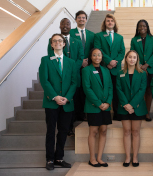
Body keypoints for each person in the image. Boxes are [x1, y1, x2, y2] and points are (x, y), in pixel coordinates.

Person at [40, 33, 77, 170]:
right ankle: (49, 159)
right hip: (51, 102)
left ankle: (59, 158)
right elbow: (45, 81)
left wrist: (67, 97)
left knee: (63, 131)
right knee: (50, 131)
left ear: (64, 43)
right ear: (51, 44)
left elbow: (74, 82)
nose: (57, 43)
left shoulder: (71, 62)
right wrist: (55, 96)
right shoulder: (45, 60)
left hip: (67, 103)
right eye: (54, 41)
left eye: (60, 41)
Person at [47, 18, 84, 136]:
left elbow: (80, 58)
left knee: (72, 102)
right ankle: (62, 126)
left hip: (74, 77)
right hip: (58, 80)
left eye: (67, 23)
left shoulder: (77, 41)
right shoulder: (52, 41)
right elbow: (51, 57)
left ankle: (70, 126)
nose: (65, 26)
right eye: (63, 23)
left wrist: (71, 70)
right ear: (60, 25)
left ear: (70, 26)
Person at [116, 50, 148, 167]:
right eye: (130, 57)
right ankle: (127, 157)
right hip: (124, 107)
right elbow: (119, 90)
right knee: (126, 132)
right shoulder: (120, 73)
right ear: (126, 58)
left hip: (137, 107)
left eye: (134, 57)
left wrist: (132, 105)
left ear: (137, 59)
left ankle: (135, 157)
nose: (132, 59)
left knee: (135, 132)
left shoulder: (142, 73)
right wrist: (126, 105)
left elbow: (142, 90)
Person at [82, 48, 113, 167]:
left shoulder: (106, 70)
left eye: (99, 55)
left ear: (102, 57)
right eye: (94, 55)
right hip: (93, 106)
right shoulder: (86, 70)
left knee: (103, 131)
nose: (97, 57)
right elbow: (87, 88)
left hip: (105, 106)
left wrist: (108, 103)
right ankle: (92, 158)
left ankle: (100, 158)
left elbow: (110, 87)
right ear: (91, 57)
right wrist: (99, 103)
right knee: (93, 131)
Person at [94, 13, 125, 121]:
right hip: (104, 67)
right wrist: (108, 61)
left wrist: (115, 62)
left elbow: (122, 52)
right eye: (108, 21)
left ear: (114, 23)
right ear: (105, 23)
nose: (110, 22)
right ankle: (104, 113)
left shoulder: (119, 37)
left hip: (116, 69)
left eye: (112, 21)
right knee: (103, 91)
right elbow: (98, 49)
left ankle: (117, 113)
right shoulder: (99, 36)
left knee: (117, 92)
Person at [70, 11, 96, 121]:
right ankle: (76, 114)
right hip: (75, 65)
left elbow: (94, 50)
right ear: (75, 19)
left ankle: (85, 113)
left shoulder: (92, 34)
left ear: (86, 19)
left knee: (86, 88)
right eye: (79, 17)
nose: (81, 19)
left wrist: (87, 61)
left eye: (83, 17)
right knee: (76, 89)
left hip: (88, 66)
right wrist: (80, 61)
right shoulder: (70, 33)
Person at [130, 19, 153, 121]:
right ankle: (139, 111)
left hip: (150, 69)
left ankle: (147, 113)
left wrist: (146, 65)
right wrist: (140, 66)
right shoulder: (134, 40)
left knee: (149, 91)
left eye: (144, 26)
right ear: (137, 28)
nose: (142, 28)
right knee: (139, 91)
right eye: (140, 26)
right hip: (138, 69)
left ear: (147, 27)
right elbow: (132, 53)